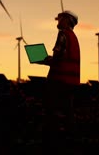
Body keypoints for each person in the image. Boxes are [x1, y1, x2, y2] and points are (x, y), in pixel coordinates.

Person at [41, 10, 81, 153]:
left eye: (60, 19)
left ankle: (52, 138)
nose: (58, 21)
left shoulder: (63, 34)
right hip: (72, 81)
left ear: (67, 20)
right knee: (68, 109)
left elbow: (58, 56)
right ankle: (71, 136)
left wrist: (44, 60)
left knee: (51, 108)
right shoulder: (74, 37)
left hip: (59, 79)